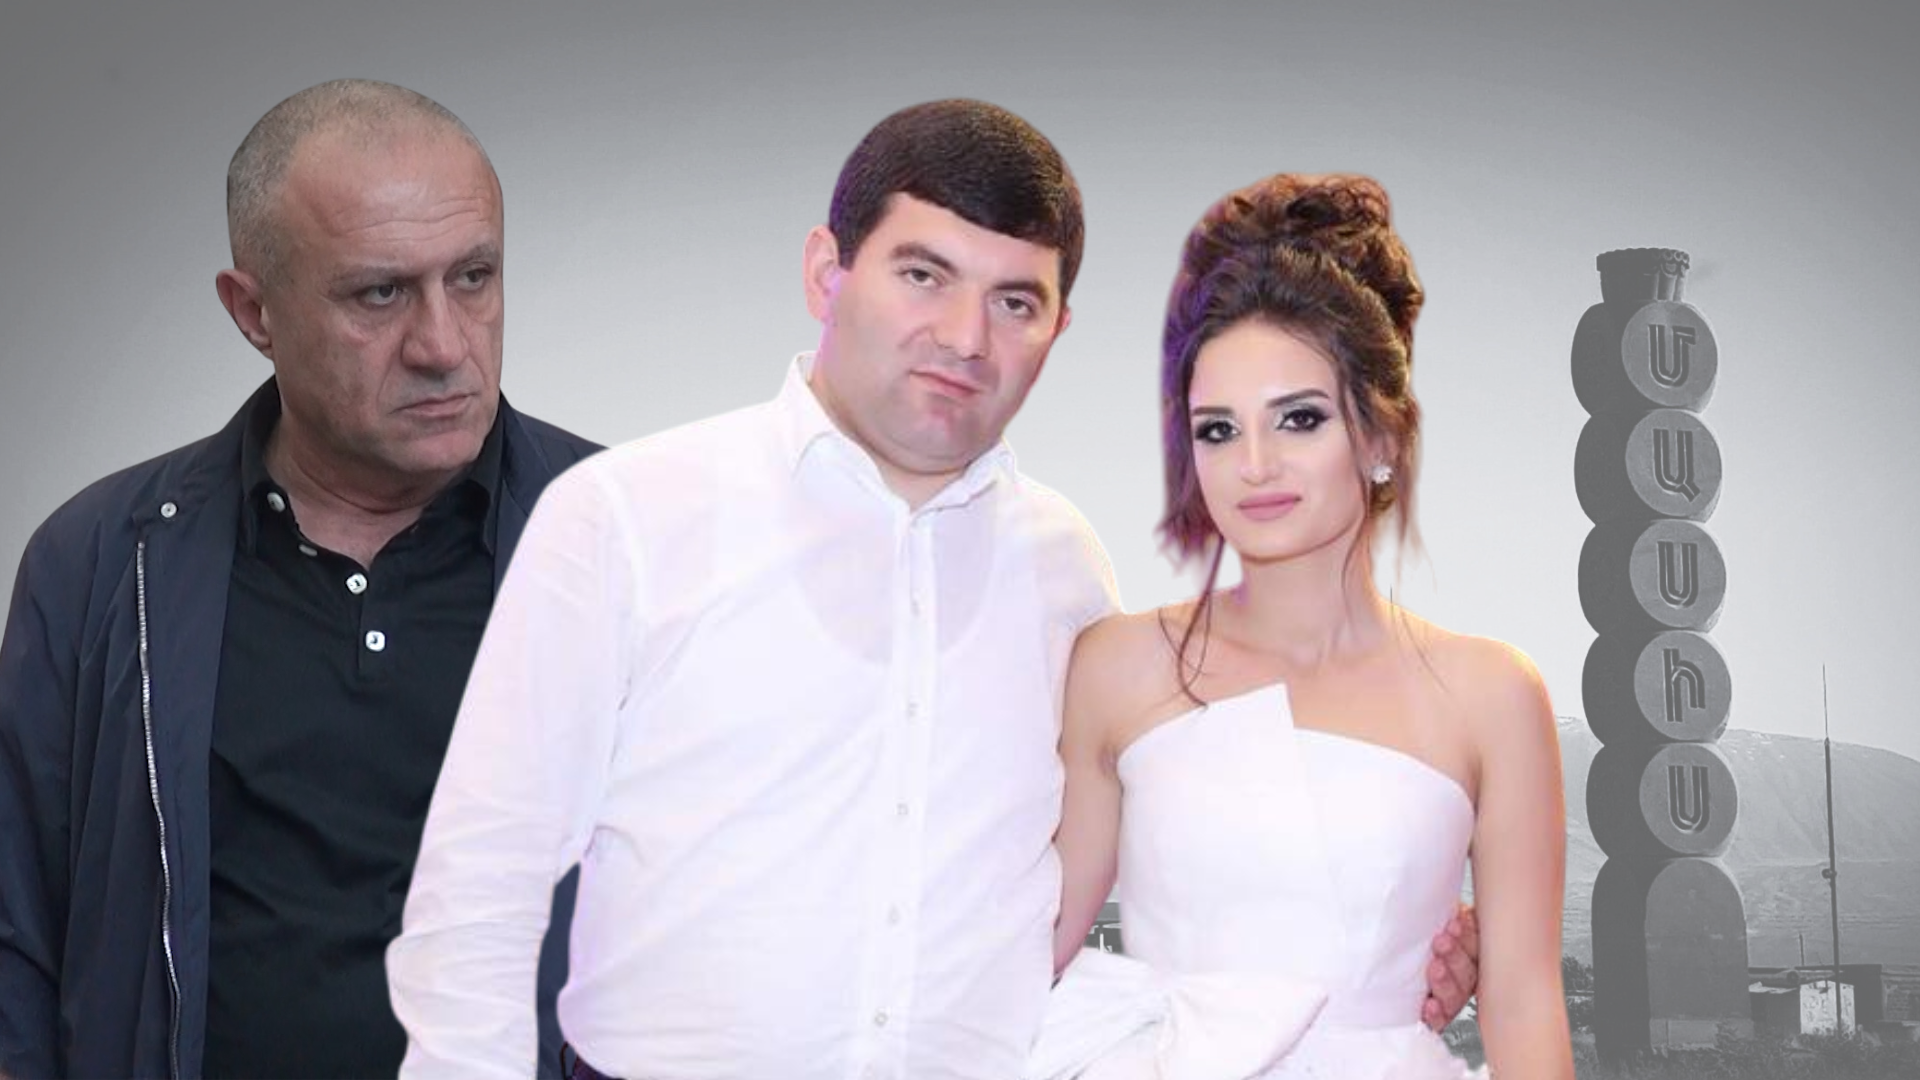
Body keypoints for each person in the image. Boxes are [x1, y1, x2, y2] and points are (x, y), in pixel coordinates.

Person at [389, 102, 1479, 1080]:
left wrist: (1392, 927)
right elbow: (481, 886)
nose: (965, 337)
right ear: (826, 272)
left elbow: (1162, 839)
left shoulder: (1065, 569)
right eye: (924, 274)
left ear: (1057, 330)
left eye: (1015, 300)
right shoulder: (625, 516)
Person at [0, 80, 595, 1079]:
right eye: (379, 294)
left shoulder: (624, 540)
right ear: (254, 312)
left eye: (474, 277)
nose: (444, 345)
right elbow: (16, 939)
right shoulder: (102, 561)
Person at [1033, 174, 1573, 1078]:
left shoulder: (1491, 695)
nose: (1254, 464)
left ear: (1382, 436)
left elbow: (1524, 1006)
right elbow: (1023, 950)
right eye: (1217, 430)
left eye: (1299, 419)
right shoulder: (1118, 666)